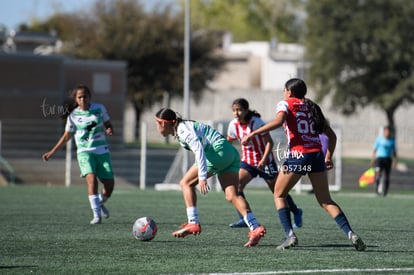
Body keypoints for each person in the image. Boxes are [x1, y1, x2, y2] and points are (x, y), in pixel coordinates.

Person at [242, 78, 366, 251]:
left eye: (284, 90)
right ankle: (351, 234)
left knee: (279, 195)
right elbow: (332, 136)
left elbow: (278, 122)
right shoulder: (312, 106)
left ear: (290, 92)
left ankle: (290, 236)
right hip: (316, 155)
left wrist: (253, 133)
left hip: (299, 155)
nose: (283, 93)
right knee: (325, 200)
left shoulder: (285, 104)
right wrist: (328, 157)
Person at [155, 107, 266, 247]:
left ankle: (193, 222)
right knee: (231, 195)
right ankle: (255, 227)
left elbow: (199, 149)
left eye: (157, 123)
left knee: (186, 183)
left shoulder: (183, 129)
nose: (157, 126)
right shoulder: (182, 128)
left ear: (164, 123)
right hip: (229, 152)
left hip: (217, 151)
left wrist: (202, 177)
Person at [42, 84, 115, 225]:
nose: (82, 99)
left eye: (85, 96)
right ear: (76, 99)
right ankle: (96, 215)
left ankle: (99, 202)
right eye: (79, 97)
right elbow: (66, 137)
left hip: (102, 151)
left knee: (109, 186)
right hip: (84, 152)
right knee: (92, 180)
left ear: (89, 97)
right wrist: (52, 152)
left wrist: (109, 129)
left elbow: (108, 124)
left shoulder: (99, 108)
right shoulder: (73, 115)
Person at [226, 98, 303, 228]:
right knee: (236, 186)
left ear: (246, 110)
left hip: (266, 162)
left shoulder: (256, 122)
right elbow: (228, 143)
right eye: (234, 110)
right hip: (248, 162)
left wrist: (264, 159)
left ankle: (296, 211)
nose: (236, 113)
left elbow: (269, 142)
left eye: (239, 110)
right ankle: (244, 218)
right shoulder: (233, 125)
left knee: (278, 191)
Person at [370, 126, 397, 196]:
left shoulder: (392, 140)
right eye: (386, 131)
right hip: (380, 159)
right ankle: (377, 189)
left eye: (388, 131)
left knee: (387, 176)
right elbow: (375, 149)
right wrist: (373, 158)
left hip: (388, 160)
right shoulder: (379, 139)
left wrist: (395, 161)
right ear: (384, 132)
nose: (387, 133)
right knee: (378, 174)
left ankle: (385, 191)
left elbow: (394, 151)